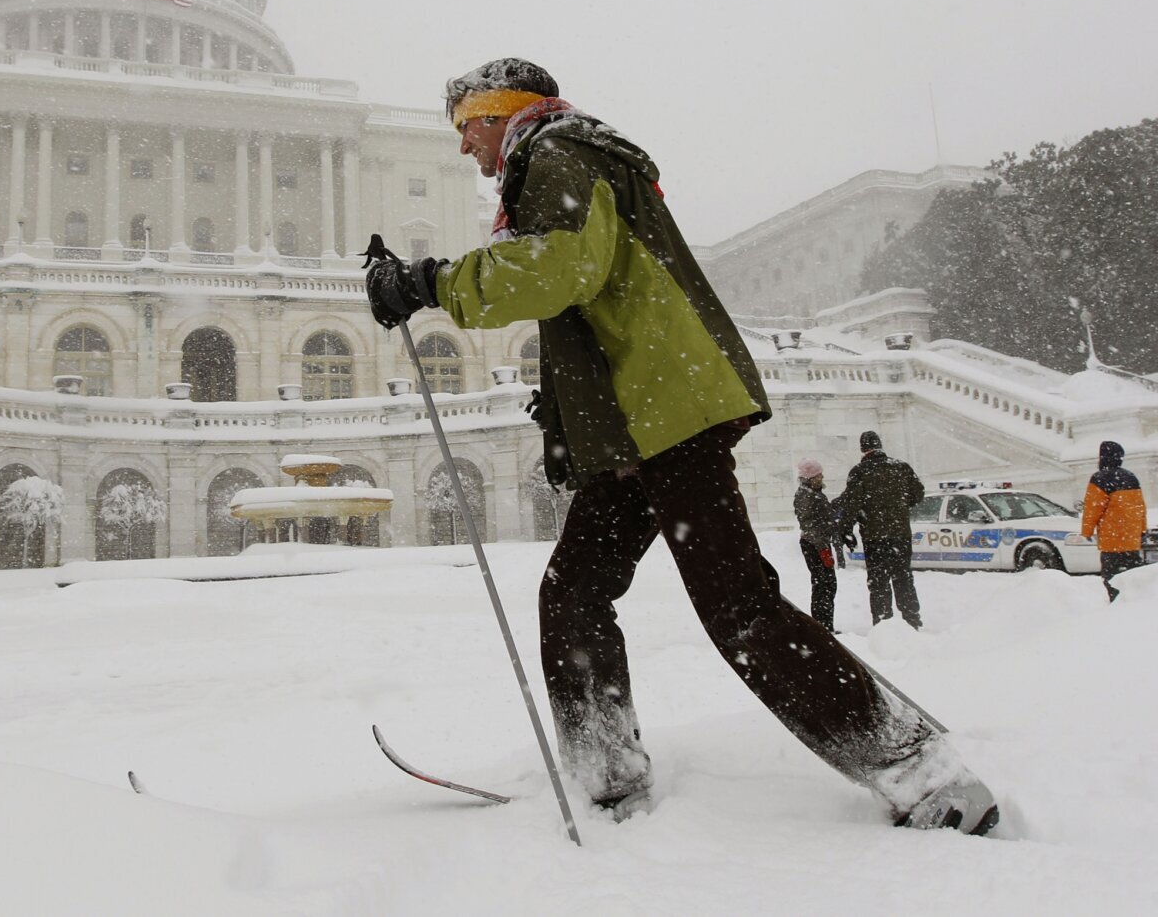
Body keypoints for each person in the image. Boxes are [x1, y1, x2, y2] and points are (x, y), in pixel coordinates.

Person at [363, 57, 997, 834]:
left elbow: (560, 271)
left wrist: (429, 282)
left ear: (503, 114)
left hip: (666, 415)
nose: (464, 147)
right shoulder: (567, 158)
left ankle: (920, 771)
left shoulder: (558, 156)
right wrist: (567, 422)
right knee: (575, 592)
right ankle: (606, 775)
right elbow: (600, 305)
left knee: (738, 608)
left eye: (467, 126)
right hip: (640, 421)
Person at [836, 431, 925, 629]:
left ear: (863, 448)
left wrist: (846, 530)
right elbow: (918, 493)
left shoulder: (859, 472)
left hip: (874, 536)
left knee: (878, 581)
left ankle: (884, 622)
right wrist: (899, 507)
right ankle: (912, 619)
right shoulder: (901, 467)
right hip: (900, 533)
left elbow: (852, 504)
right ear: (880, 445)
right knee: (903, 576)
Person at [1081, 440, 1149, 601]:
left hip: (1112, 539)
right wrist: (1142, 529)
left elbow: (1093, 508)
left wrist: (1087, 530)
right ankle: (1136, 601)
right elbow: (1141, 507)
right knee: (1133, 574)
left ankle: (1117, 604)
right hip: (1131, 538)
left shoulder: (1099, 478)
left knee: (1111, 576)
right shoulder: (1131, 477)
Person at [792, 459, 840, 631]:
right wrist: (823, 549)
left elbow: (821, 518)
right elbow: (810, 525)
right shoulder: (806, 495)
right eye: (819, 474)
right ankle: (822, 627)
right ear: (811, 477)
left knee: (827, 585)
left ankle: (825, 625)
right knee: (823, 585)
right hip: (814, 545)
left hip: (818, 543)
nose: (822, 477)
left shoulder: (814, 493)